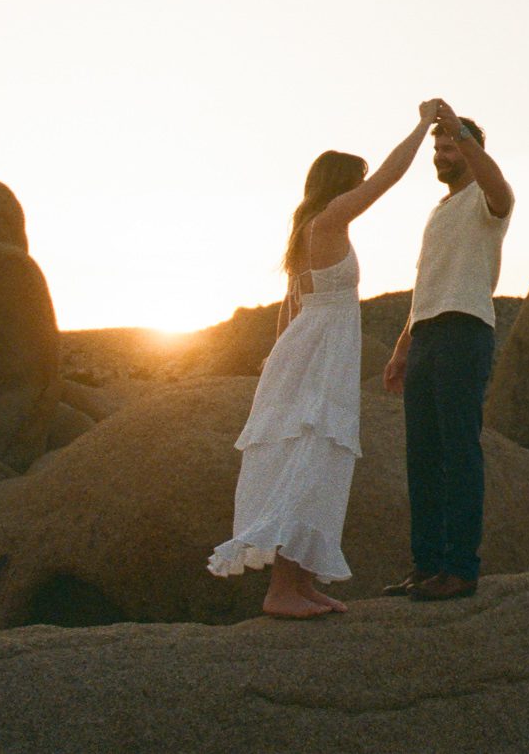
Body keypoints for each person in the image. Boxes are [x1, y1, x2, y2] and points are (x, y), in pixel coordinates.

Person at [208, 101, 442, 618]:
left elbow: (289, 310)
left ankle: (302, 582)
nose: (359, 189)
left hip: (312, 350)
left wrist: (278, 364)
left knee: (323, 463)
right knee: (310, 459)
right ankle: (281, 591)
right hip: (318, 353)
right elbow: (388, 177)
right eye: (353, 181)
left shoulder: (310, 229)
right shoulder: (330, 219)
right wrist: (423, 126)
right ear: (339, 183)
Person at [382, 99, 513, 602]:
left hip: (465, 331)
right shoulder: (439, 211)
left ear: (471, 149)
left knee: (459, 452)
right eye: (437, 148)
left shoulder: (488, 197)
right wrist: (401, 349)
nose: (440, 155)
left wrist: (459, 127)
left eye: (450, 146)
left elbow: (498, 185)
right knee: (423, 455)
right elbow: (425, 287)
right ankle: (427, 565)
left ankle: (460, 568)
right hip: (428, 335)